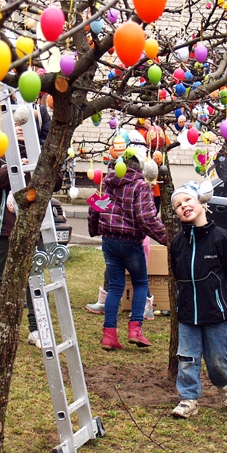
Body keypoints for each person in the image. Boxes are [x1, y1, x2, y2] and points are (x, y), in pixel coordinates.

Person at [169, 181, 227, 419]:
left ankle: (226, 388)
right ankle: (188, 398)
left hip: (215, 313)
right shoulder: (177, 243)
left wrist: (225, 301)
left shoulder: (221, 238)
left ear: (201, 202)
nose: (184, 206)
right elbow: (177, 273)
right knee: (187, 358)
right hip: (188, 314)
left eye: (188, 200)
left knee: (218, 359)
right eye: (178, 206)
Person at [87, 140, 166, 351]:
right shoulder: (140, 186)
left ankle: (109, 335)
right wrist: (168, 239)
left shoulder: (106, 182)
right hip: (131, 243)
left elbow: (94, 210)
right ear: (139, 167)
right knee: (140, 283)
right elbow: (147, 218)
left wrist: (95, 229)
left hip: (109, 242)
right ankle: (135, 330)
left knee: (115, 286)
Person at [0, 124, 41, 348]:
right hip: (4, 230)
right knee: (3, 277)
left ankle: (36, 329)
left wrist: (33, 169)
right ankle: (2, 326)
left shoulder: (39, 151)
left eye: (22, 125)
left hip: (32, 228)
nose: (18, 128)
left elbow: (56, 182)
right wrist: (14, 169)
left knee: (34, 279)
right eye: (13, 125)